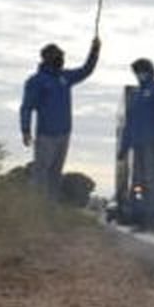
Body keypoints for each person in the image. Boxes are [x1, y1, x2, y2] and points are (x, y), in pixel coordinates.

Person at [19, 37, 101, 201]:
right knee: (41, 173)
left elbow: (86, 70)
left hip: (64, 133)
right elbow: (26, 107)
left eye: (61, 55)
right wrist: (26, 130)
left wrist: (94, 51)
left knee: (55, 174)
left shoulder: (65, 77)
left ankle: (50, 209)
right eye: (58, 56)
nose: (61, 59)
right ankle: (37, 208)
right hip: (45, 135)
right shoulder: (36, 81)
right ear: (47, 58)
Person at [119, 58, 154, 232]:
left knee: (150, 183)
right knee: (137, 184)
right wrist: (124, 148)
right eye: (136, 72)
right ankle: (139, 218)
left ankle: (151, 220)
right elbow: (129, 124)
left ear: (148, 71)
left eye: (141, 71)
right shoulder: (137, 95)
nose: (139, 75)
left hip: (151, 144)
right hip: (137, 145)